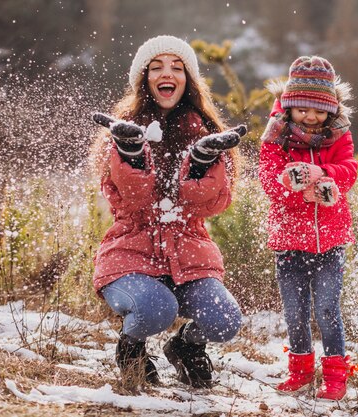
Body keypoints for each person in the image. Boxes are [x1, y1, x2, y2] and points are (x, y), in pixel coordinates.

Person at [89, 35, 245, 389]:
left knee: (225, 319)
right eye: (156, 66)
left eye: (177, 67)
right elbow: (131, 201)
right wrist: (130, 154)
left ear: (188, 79)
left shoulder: (205, 132)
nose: (167, 73)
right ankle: (132, 348)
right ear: (144, 79)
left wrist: (198, 166)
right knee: (157, 309)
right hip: (131, 256)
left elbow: (215, 203)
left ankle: (187, 347)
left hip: (189, 255)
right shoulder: (123, 130)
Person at [258, 56, 358, 400]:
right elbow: (271, 182)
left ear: (330, 109)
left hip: (330, 241)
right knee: (295, 311)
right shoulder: (276, 135)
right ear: (289, 106)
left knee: (328, 308)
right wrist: (296, 186)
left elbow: (349, 169)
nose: (311, 117)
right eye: (303, 110)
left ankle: (335, 375)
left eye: (319, 111)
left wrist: (326, 178)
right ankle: (300, 372)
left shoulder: (338, 134)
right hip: (289, 241)